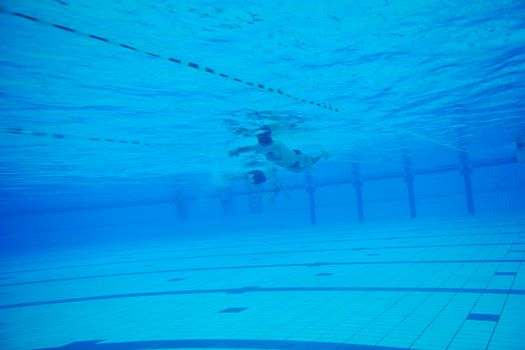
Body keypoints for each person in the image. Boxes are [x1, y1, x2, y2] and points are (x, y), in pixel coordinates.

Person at [228, 126, 328, 172]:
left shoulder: (277, 145)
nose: (263, 145)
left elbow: (271, 147)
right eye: (261, 143)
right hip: (291, 164)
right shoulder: (261, 146)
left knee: (311, 162)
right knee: (303, 167)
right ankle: (320, 154)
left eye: (264, 143)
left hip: (298, 158)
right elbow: (246, 148)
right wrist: (236, 150)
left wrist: (261, 150)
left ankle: (321, 153)